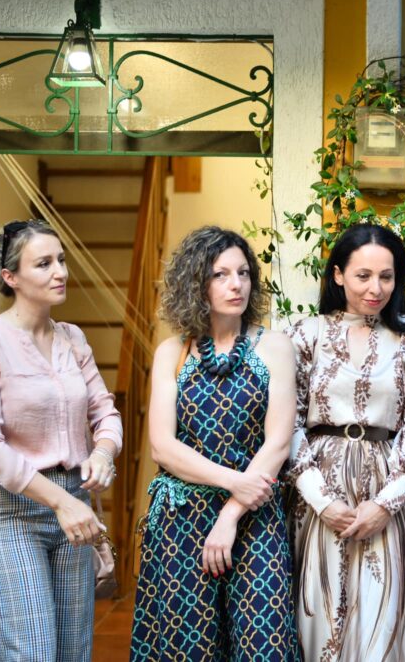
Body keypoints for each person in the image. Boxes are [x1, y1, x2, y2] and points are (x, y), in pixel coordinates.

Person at [0, 219, 122, 662]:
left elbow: (105, 412)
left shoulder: (73, 338)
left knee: (71, 651)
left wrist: (103, 452)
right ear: (10, 277)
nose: (60, 272)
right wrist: (61, 503)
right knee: (32, 650)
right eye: (44, 264)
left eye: (61, 260)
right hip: (12, 510)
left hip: (75, 506)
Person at [130, 226, 299, 661]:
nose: (235, 284)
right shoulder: (172, 352)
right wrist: (233, 481)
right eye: (220, 274)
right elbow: (162, 447)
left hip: (255, 514)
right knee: (190, 648)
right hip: (182, 518)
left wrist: (232, 511)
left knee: (263, 642)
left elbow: (277, 444)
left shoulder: (275, 347)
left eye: (243, 273)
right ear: (196, 283)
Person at [289, 223, 405, 661]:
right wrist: (321, 500)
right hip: (318, 491)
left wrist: (385, 504)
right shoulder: (305, 334)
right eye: (363, 276)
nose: (376, 289)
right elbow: (287, 424)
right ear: (338, 275)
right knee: (320, 618)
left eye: (386, 277)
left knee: (382, 618)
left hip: (389, 488)